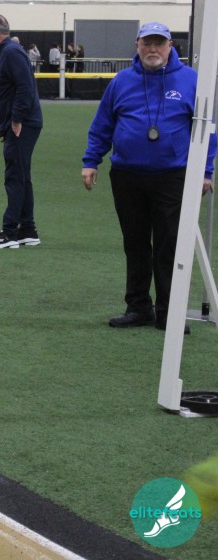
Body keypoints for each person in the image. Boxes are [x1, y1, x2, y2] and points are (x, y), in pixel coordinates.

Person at [82, 21, 216, 331]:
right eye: (147, 43)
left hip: (173, 177)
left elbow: (208, 130)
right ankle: (138, 307)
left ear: (170, 47)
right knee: (135, 243)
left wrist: (206, 170)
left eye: (159, 43)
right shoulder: (121, 81)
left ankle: (169, 312)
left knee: (169, 246)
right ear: (137, 46)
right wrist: (91, 161)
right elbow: (102, 124)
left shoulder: (191, 80)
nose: (152, 49)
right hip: (127, 176)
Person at [0, 13, 43, 249]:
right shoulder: (8, 53)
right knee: (22, 175)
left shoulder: (11, 53)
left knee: (15, 176)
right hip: (24, 122)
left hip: (23, 124)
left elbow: (25, 88)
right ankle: (28, 230)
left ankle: (9, 233)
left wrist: (16, 120)